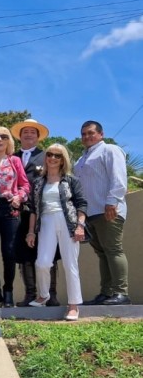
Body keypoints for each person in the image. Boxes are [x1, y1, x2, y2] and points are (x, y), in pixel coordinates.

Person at [26, 144, 87, 321]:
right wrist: (31, 232)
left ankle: (74, 305)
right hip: (46, 221)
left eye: (57, 156)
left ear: (63, 159)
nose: (52, 158)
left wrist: (80, 225)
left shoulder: (71, 180)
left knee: (70, 264)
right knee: (43, 262)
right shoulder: (38, 182)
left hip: (68, 221)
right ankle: (44, 295)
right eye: (50, 154)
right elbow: (33, 209)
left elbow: (81, 204)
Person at [75, 121, 130, 305]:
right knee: (102, 253)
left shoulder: (110, 150)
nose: (87, 137)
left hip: (108, 210)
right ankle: (106, 292)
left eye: (91, 133)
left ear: (101, 134)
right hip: (90, 213)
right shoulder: (81, 159)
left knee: (113, 250)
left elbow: (119, 177)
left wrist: (112, 201)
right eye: (83, 134)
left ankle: (121, 292)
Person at [11, 119, 59, 307]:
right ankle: (30, 294)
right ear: (20, 136)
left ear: (38, 136)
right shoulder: (11, 157)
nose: (29, 134)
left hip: (43, 211)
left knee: (50, 253)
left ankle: (51, 294)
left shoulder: (47, 156)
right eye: (25, 132)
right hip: (19, 213)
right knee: (23, 254)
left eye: (33, 132)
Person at [0, 127, 30, 308]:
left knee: (9, 252)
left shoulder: (15, 161)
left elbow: (25, 185)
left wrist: (19, 197)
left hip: (10, 209)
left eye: (4, 136)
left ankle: (8, 291)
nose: (0, 139)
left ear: (9, 141)